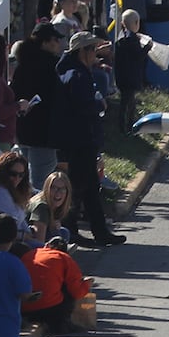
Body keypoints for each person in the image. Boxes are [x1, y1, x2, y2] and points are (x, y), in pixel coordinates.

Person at [52, 32, 126, 246]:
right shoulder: (76, 75)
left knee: (91, 188)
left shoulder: (78, 72)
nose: (95, 52)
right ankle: (71, 230)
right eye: (92, 49)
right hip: (78, 141)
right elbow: (81, 106)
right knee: (76, 188)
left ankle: (100, 231)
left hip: (82, 140)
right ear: (81, 52)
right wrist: (99, 104)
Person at [11, 23, 66, 191]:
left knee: (23, 181)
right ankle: (38, 216)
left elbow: (14, 91)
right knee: (42, 183)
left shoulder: (22, 65)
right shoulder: (53, 66)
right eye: (55, 39)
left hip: (23, 131)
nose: (58, 43)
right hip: (44, 134)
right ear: (44, 42)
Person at [21, 244, 91, 332]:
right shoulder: (63, 257)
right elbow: (77, 292)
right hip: (51, 310)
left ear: (47, 245)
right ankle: (62, 323)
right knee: (70, 287)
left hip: (25, 307)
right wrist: (86, 284)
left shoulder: (31, 253)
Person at [113, 10, 151, 132]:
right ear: (136, 23)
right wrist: (147, 47)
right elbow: (138, 56)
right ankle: (127, 127)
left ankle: (126, 126)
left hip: (121, 75)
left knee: (128, 102)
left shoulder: (121, 38)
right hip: (131, 76)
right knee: (128, 104)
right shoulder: (132, 40)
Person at [0, 150, 34, 230]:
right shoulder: (0, 191)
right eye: (13, 174)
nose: (17, 178)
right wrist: (25, 236)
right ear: (4, 172)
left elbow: (21, 222)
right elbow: (12, 223)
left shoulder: (13, 191)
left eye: (21, 175)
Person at [28, 171, 73, 245]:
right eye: (54, 188)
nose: (58, 193)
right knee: (62, 234)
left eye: (62, 189)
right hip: (26, 243)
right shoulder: (41, 206)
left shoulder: (55, 206)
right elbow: (39, 241)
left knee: (63, 232)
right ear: (47, 189)